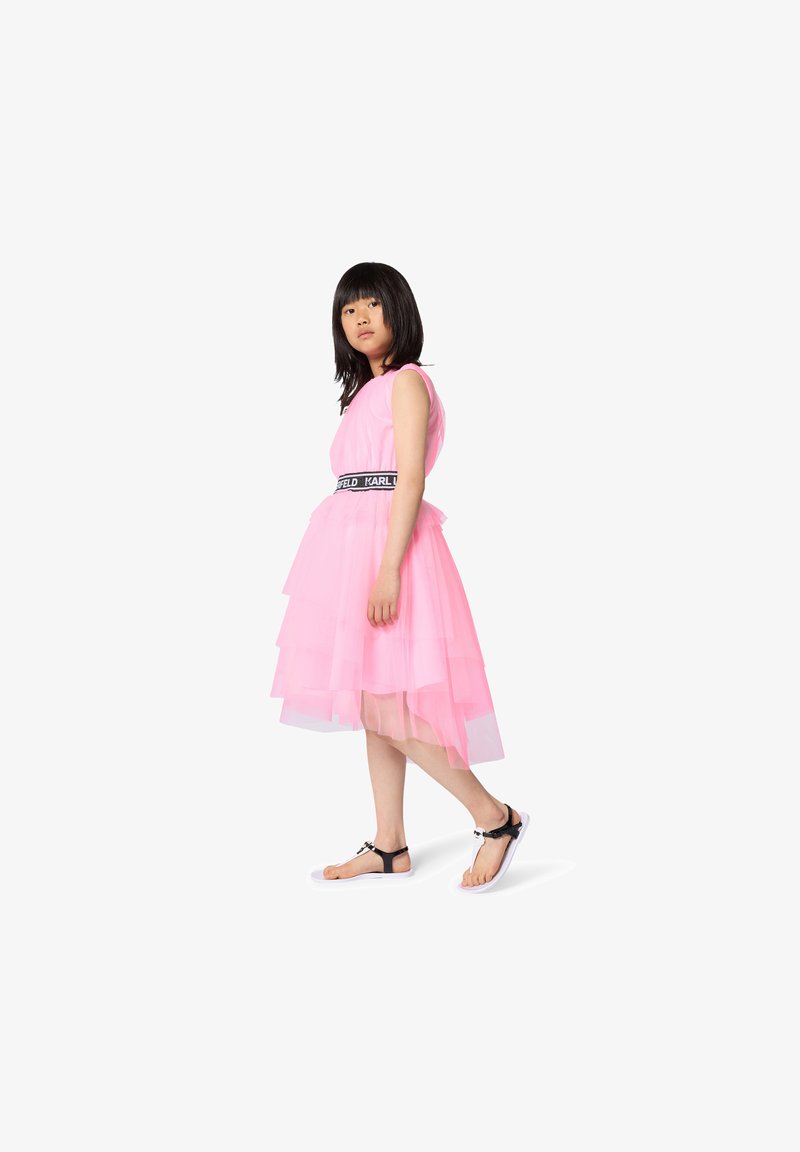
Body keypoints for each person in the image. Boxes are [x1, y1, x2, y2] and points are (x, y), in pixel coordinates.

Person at [270, 262, 529, 892]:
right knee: (372, 698)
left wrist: (388, 570)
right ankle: (390, 844)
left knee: (390, 704)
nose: (359, 318)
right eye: (347, 309)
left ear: (398, 311)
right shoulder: (364, 392)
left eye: (371, 305)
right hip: (350, 550)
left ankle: (494, 817)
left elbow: (409, 477)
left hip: (390, 550)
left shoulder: (408, 383)